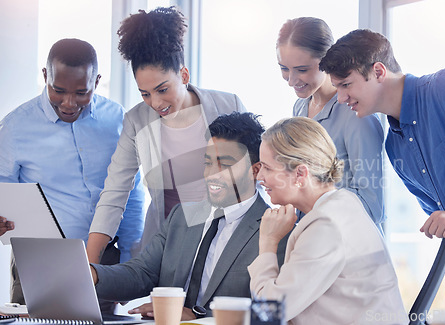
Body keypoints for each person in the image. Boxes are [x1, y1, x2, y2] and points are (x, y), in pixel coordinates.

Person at [319, 28, 445, 308]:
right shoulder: (394, 145)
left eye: (346, 85)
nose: (341, 98)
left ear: (378, 71)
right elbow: (438, 212)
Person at [87, 6, 246, 264]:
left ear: (183, 75)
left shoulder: (229, 106)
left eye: (162, 89)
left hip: (225, 240)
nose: (156, 103)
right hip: (169, 243)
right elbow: (115, 191)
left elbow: (255, 177)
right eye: (145, 93)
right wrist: (89, 266)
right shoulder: (136, 121)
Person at [91, 112, 287, 321]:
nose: (212, 173)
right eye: (208, 162)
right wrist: (92, 275)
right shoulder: (181, 216)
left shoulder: (277, 229)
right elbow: (142, 273)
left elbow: (271, 309)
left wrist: (195, 315)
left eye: (225, 164)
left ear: (255, 170)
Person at [0, 39, 145, 303]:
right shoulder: (14, 128)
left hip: (106, 263)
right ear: (45, 76)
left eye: (81, 92)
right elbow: (3, 196)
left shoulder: (117, 120)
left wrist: (129, 261)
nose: (68, 103)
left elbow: (132, 193)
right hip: (38, 262)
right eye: (58, 90)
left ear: (97, 81)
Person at [249, 117, 406, 324]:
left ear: (300, 174)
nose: (260, 177)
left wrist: (268, 243)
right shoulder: (343, 203)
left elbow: (269, 313)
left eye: (267, 168)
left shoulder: (326, 225)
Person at [276, 17, 385, 230]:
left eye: (302, 69)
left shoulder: (357, 114)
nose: (291, 80)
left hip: (349, 243)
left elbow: (372, 207)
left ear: (326, 61)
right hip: (312, 237)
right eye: (284, 68)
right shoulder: (300, 107)